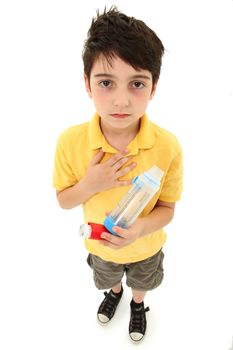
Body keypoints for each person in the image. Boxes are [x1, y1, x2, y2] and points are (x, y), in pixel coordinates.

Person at [53, 6, 183, 343]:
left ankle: (137, 305)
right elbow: (64, 201)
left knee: (142, 281)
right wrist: (91, 184)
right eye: (106, 82)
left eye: (137, 83)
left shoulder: (167, 146)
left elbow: (167, 208)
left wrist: (140, 228)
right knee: (108, 276)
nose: (121, 100)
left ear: (153, 87)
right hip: (101, 245)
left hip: (146, 246)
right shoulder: (71, 142)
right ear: (87, 83)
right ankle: (114, 294)